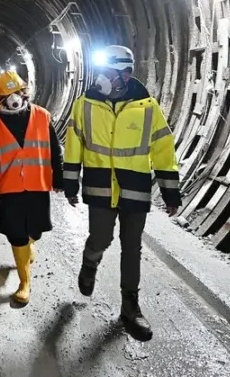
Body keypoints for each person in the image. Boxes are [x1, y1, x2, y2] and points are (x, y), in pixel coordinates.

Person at [63, 44, 180, 341]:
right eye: (100, 71)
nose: (101, 78)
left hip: (134, 188)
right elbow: (74, 143)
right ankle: (90, 264)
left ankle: (130, 307)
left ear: (125, 74)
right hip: (100, 186)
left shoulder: (148, 108)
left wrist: (170, 192)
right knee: (101, 237)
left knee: (132, 248)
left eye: (108, 72)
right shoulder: (85, 104)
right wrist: (70, 182)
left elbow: (163, 149)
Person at [0, 70, 63, 305]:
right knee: (16, 235)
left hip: (38, 184)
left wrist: (59, 179)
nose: (14, 98)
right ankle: (24, 282)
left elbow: (55, 151)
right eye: (8, 94)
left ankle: (29, 248)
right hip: (10, 187)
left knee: (34, 232)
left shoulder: (42, 116)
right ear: (2, 98)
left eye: (17, 92)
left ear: (24, 92)